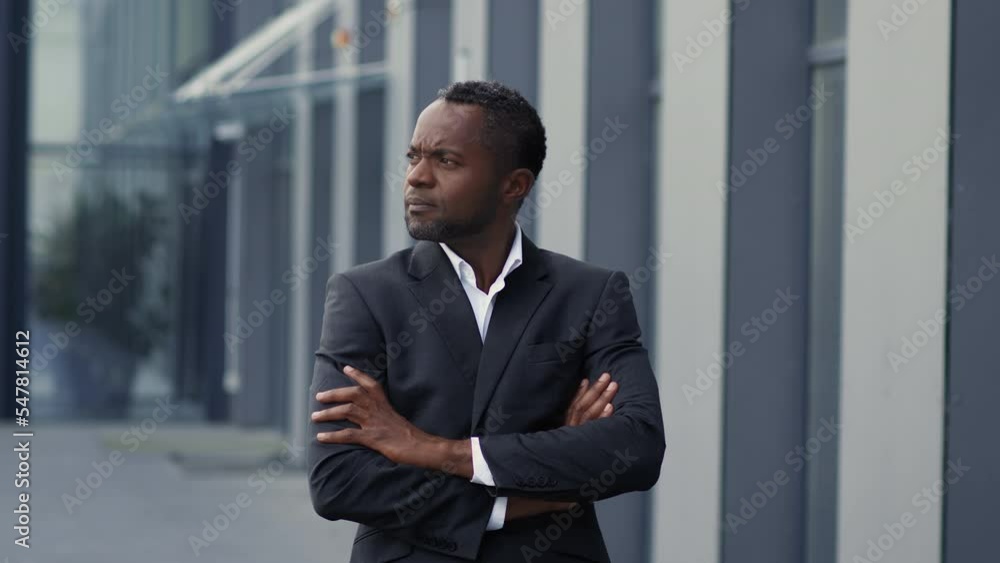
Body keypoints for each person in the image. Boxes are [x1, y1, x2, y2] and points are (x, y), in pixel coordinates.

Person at [307, 80, 665, 563]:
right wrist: (536, 494)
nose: (416, 177)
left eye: (446, 161)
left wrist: (432, 449)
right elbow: (339, 480)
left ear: (514, 185)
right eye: (413, 157)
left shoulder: (591, 293)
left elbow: (637, 447)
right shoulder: (365, 295)